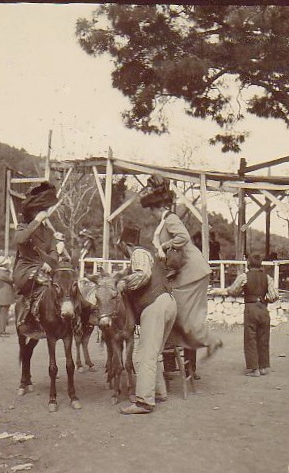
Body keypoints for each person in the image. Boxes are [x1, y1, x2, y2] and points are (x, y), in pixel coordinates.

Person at [140, 174, 223, 360]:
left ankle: (207, 342)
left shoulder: (170, 219)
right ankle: (189, 350)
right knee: (177, 311)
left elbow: (183, 237)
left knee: (178, 312)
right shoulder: (164, 222)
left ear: (159, 208)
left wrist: (164, 246)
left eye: (152, 210)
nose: (151, 214)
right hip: (186, 273)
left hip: (193, 272)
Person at [115, 225, 177, 415]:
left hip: (155, 305)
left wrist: (124, 282)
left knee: (144, 354)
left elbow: (143, 274)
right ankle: (159, 392)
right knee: (154, 352)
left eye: (120, 245)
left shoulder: (138, 253)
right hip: (167, 302)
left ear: (125, 244)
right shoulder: (147, 254)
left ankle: (144, 402)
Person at [211, 253, 279, 376]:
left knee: (250, 338)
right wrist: (264, 300)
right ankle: (263, 367)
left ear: (248, 263)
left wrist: (219, 291)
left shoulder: (244, 277)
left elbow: (233, 291)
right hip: (263, 309)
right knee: (263, 338)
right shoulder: (267, 278)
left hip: (250, 308)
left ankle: (254, 369)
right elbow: (274, 296)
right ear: (260, 264)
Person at [13, 181, 59, 338]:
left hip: (46, 268)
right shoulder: (23, 227)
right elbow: (21, 240)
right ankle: (29, 318)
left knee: (66, 283)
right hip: (27, 270)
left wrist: (50, 262)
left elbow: (54, 251)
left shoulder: (49, 232)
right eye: (39, 211)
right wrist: (37, 221)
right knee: (42, 283)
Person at [0, 256, 15, 337]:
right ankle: (2, 332)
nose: (8, 264)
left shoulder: (0, 272)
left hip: (2, 294)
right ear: (4, 264)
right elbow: (11, 280)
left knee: (3, 313)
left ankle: (2, 330)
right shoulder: (2, 274)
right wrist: (11, 271)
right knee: (3, 314)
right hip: (4, 295)